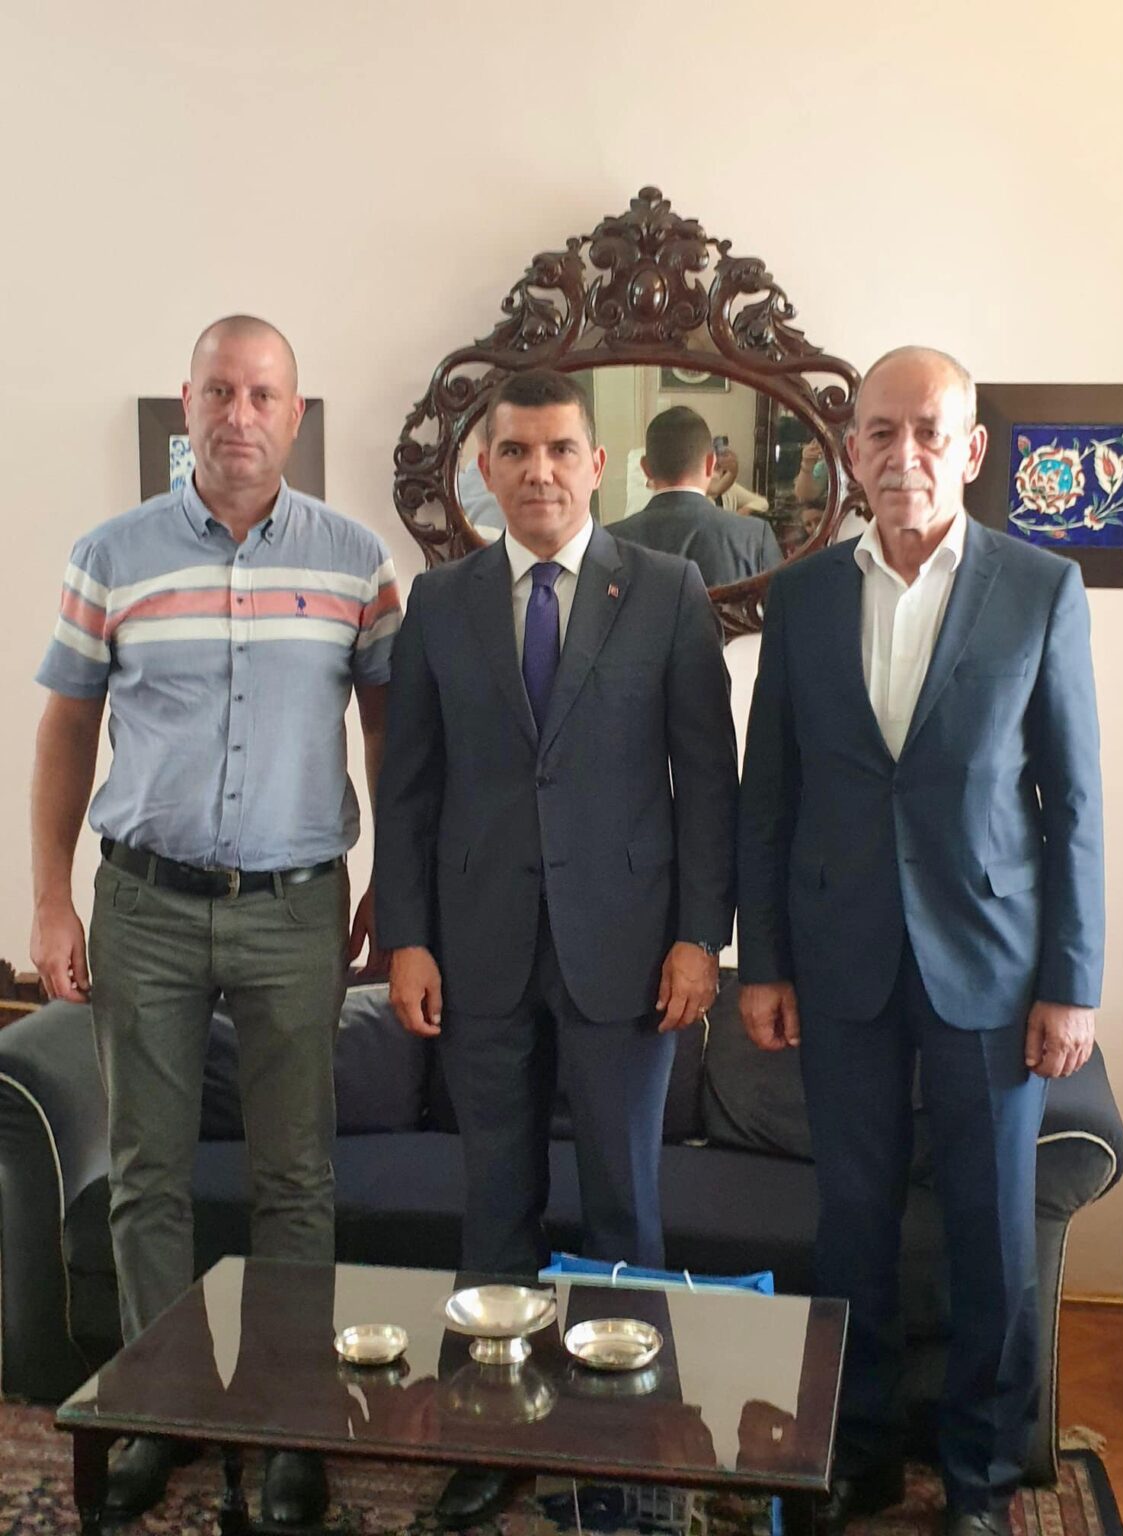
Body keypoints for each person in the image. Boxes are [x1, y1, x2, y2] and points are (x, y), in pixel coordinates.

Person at [30, 315, 400, 1527]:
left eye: (263, 395)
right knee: (147, 1177)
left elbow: (392, 731)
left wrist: (396, 879)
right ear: (186, 404)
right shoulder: (111, 555)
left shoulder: (355, 564)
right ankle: (159, 1413)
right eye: (219, 392)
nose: (239, 415)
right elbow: (66, 729)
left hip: (297, 909)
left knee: (296, 1177)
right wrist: (49, 899)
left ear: (295, 414)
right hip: (142, 905)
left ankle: (289, 1423)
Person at [737, 346, 1105, 1536]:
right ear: (850, 451)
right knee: (852, 1224)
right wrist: (764, 962)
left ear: (972, 449)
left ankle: (981, 1479)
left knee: (992, 1235)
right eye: (882, 432)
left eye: (929, 432)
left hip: (992, 967)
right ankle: (861, 1454)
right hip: (840, 959)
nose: (905, 455)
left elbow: (1074, 801)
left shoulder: (1040, 588)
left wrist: (1073, 982)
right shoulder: (802, 596)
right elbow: (768, 791)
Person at [374, 368, 738, 1525]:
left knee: (625, 1210)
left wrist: (700, 938)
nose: (539, 472)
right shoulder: (442, 603)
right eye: (517, 452)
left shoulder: (667, 590)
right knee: (497, 1212)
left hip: (627, 957)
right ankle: (490, 1440)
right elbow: (408, 789)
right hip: (476, 953)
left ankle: (625, 1457)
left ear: (599, 465)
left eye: (560, 451)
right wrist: (405, 939)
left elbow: (708, 783)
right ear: (485, 468)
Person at [612, 406, 782, 586]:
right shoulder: (755, 538)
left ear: (646, 468)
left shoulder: (609, 543)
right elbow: (780, 601)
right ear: (710, 464)